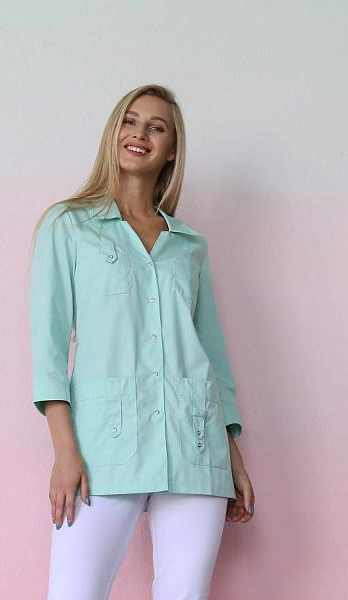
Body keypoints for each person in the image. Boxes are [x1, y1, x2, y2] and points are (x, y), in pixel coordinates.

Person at [29, 84, 255, 600]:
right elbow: (48, 350)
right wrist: (65, 453)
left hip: (195, 446)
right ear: (115, 133)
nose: (140, 133)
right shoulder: (68, 227)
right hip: (101, 449)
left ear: (171, 149)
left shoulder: (189, 245)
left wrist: (232, 456)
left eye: (157, 126)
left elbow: (211, 356)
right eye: (130, 121)